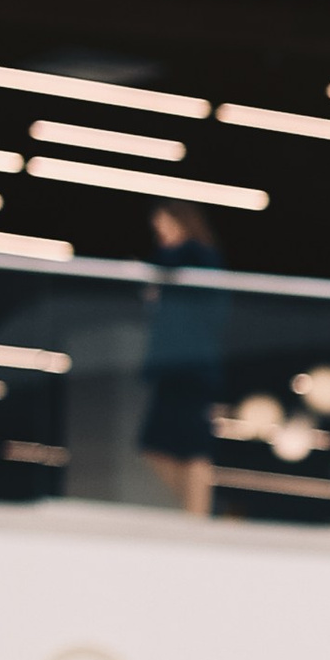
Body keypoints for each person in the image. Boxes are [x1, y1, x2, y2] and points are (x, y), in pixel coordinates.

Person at [139, 203, 226, 515]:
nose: (162, 237)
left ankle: (196, 515)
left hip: (190, 368)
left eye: (167, 228)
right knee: (162, 447)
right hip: (174, 368)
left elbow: (212, 309)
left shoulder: (194, 257)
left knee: (191, 447)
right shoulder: (175, 265)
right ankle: (190, 511)